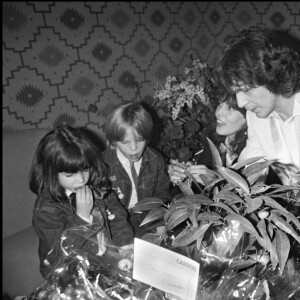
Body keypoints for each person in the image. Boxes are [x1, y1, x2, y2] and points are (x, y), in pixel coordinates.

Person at [29, 125, 134, 278]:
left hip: (105, 261)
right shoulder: (46, 210)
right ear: (50, 174)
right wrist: (82, 217)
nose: (81, 179)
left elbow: (118, 217)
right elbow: (61, 253)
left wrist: (126, 244)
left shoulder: (97, 186)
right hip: (68, 272)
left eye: (85, 169)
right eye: (70, 174)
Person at [216, 25, 300, 185]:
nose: (240, 102)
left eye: (246, 90)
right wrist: (212, 180)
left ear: (274, 77)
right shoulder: (256, 119)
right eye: (236, 93)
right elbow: (250, 173)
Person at [102, 102, 171, 238]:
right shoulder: (102, 165)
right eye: (126, 142)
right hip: (115, 223)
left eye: (139, 140)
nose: (134, 148)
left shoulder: (156, 160)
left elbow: (160, 196)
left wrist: (160, 224)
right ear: (114, 141)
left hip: (147, 219)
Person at [168, 94, 247, 185]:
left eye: (230, 108)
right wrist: (185, 176)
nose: (218, 113)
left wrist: (214, 181)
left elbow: (246, 194)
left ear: (249, 116)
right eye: (220, 104)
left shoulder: (254, 153)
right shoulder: (213, 138)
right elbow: (201, 185)